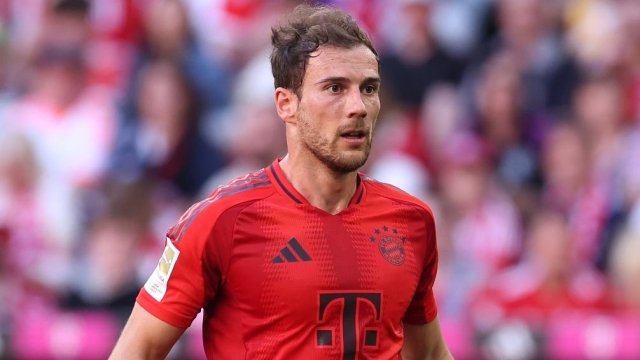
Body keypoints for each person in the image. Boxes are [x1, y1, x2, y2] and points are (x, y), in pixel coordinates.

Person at [109, 4, 453, 360]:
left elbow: (428, 354)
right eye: (335, 88)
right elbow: (138, 350)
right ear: (286, 104)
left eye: (368, 88)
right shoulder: (221, 220)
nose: (358, 106)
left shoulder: (411, 220)